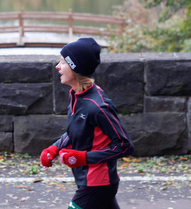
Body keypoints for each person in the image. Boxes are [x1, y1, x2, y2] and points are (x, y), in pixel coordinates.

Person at [40, 37, 134, 209]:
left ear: (75, 68)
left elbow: (125, 145)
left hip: (99, 183)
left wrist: (82, 158)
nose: (57, 67)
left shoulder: (97, 106)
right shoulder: (77, 95)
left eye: (62, 62)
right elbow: (78, 131)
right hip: (86, 180)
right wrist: (55, 148)